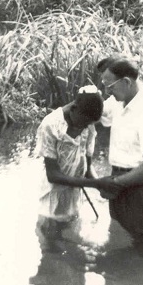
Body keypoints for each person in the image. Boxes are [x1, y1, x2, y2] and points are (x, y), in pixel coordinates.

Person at [93, 57, 143, 238]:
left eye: (110, 86)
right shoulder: (120, 100)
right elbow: (96, 114)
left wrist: (114, 184)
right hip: (120, 180)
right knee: (118, 238)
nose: (107, 91)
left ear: (127, 82)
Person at [34, 86, 104, 221]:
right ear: (73, 109)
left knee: (72, 227)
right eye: (83, 123)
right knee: (50, 233)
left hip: (75, 194)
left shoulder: (88, 123)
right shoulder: (51, 125)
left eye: (88, 124)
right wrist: (95, 184)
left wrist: (101, 185)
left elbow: (87, 168)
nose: (85, 127)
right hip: (52, 195)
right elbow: (53, 175)